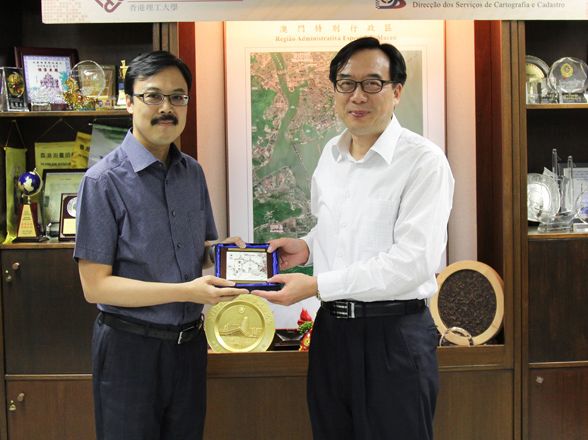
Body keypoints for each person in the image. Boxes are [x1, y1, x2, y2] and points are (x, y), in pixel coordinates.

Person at [254, 37, 455, 440]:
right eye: (346, 83)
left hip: (394, 337)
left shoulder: (424, 162)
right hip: (332, 334)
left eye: (372, 83)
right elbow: (336, 229)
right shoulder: (331, 154)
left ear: (396, 92)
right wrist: (306, 248)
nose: (357, 96)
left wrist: (317, 285)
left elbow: (412, 263)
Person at [74, 51, 247, 440]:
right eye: (153, 96)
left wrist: (223, 252)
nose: (166, 108)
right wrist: (185, 291)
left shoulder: (192, 172)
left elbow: (196, 251)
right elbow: (95, 287)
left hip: (188, 347)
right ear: (129, 102)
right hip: (130, 349)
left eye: (177, 97)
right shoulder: (102, 182)